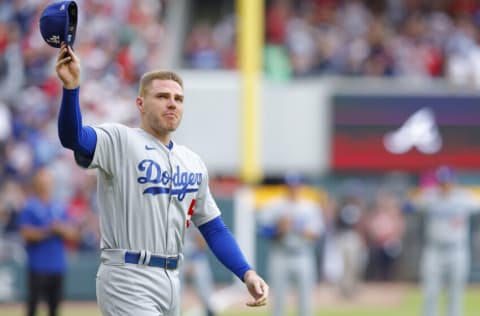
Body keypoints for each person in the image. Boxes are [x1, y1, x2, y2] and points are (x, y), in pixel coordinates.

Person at [54, 43, 268, 316]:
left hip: (171, 279)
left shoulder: (191, 161)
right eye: (163, 96)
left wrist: (246, 273)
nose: (172, 103)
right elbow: (72, 138)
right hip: (127, 276)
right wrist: (71, 88)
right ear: (140, 103)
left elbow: (214, 228)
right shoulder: (120, 140)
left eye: (178, 99)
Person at [410, 165, 480, 316]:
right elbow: (408, 205)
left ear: (453, 181)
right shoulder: (429, 197)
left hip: (457, 249)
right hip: (434, 250)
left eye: (447, 181)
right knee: (430, 291)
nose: (445, 185)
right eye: (442, 181)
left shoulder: (464, 197)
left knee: (455, 292)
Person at [258, 173, 324, 316]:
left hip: (303, 254)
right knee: (278, 301)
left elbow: (317, 233)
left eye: (296, 185)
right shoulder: (275, 205)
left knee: (305, 301)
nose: (293, 188)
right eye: (290, 185)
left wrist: (298, 228)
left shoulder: (309, 206)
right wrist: (278, 230)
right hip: (280, 253)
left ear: (301, 186)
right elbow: (262, 230)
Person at [19, 167, 79, 316]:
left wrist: (61, 229)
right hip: (37, 266)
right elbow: (25, 233)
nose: (45, 184)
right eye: (42, 181)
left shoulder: (59, 206)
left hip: (57, 266)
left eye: (47, 181)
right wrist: (47, 231)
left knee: (55, 307)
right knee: (32, 306)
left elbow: (73, 234)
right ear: (36, 184)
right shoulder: (30, 206)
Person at [181, 228, 217, 316]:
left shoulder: (192, 216)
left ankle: (209, 312)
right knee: (175, 294)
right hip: (177, 258)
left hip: (195, 257)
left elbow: (201, 239)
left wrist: (191, 261)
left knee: (204, 292)